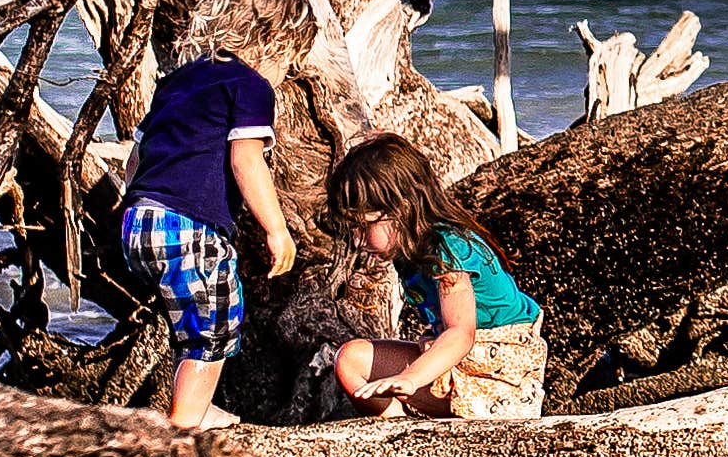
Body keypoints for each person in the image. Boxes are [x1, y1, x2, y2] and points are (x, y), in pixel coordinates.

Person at [114, 28, 298, 435]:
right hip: (189, 226)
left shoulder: (179, 80)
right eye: (289, 62)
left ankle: (202, 406)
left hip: (138, 221)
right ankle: (181, 429)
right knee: (213, 327)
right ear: (276, 39)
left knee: (189, 317)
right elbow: (246, 161)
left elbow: (136, 157)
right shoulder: (251, 85)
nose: (285, 73)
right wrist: (277, 228)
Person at [318, 133, 547, 420]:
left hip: (500, 370)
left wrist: (413, 376)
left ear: (401, 209)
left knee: (395, 374)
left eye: (362, 227)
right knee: (349, 360)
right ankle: (400, 431)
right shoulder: (406, 253)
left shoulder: (448, 247)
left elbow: (460, 333)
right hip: (458, 360)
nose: (355, 241)